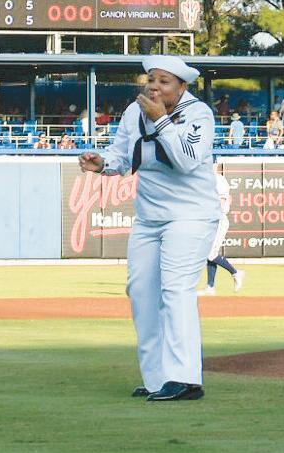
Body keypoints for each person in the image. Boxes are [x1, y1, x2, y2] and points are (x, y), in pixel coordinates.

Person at [78, 55, 220, 402]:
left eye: (164, 81)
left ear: (182, 87)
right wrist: (103, 163)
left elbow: (187, 160)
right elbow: (121, 154)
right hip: (149, 216)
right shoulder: (134, 111)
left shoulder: (199, 113)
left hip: (191, 214)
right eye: (151, 79)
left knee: (176, 291)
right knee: (141, 293)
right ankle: (158, 379)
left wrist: (161, 121)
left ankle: (185, 378)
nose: (154, 86)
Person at [202, 171, 245, 295]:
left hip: (218, 219)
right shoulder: (207, 178)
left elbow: (221, 202)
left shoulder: (218, 179)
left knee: (210, 254)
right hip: (211, 220)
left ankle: (235, 272)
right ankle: (210, 287)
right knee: (210, 253)